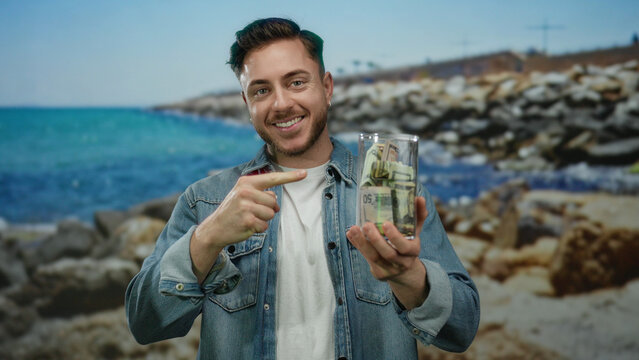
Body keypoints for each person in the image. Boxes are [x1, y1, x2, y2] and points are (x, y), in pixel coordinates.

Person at [125, 17, 479, 360]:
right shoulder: (206, 201)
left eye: (296, 82)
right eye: (261, 90)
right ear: (248, 104)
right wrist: (207, 239)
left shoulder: (393, 191)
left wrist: (410, 278)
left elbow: (461, 329)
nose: (281, 104)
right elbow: (145, 325)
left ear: (326, 88)